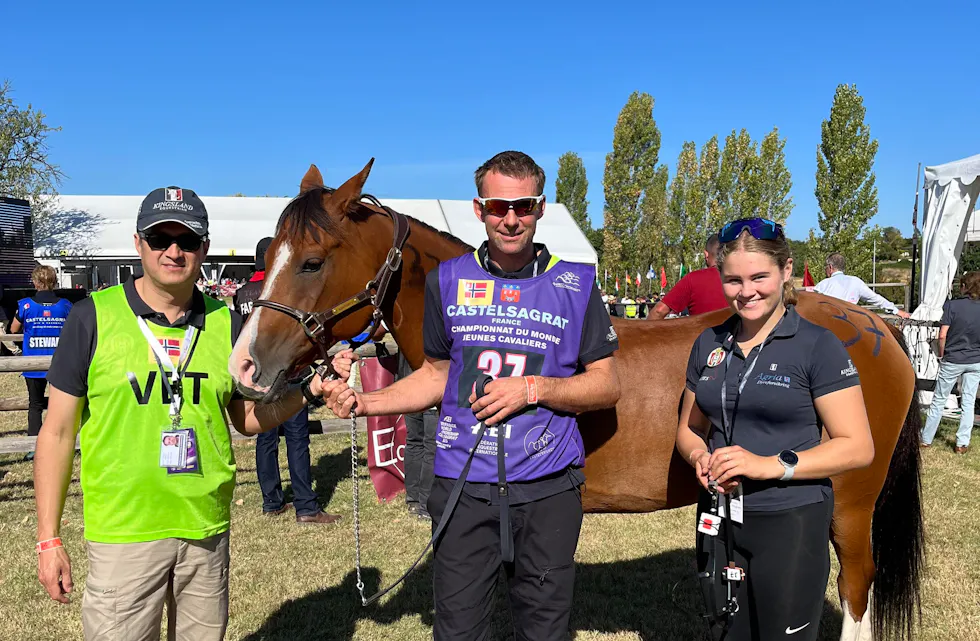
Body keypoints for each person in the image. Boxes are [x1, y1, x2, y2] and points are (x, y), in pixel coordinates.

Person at [323, 151, 621, 640]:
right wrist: (364, 403)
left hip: (546, 488)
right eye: (498, 207)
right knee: (458, 631)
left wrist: (534, 389)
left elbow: (608, 384)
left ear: (541, 208)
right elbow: (436, 375)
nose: (511, 219)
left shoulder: (577, 282)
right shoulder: (447, 279)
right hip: (463, 487)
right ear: (479, 209)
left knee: (544, 631)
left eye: (523, 206)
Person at [33, 186, 333, 641]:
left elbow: (247, 419)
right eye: (160, 239)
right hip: (123, 534)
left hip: (205, 531)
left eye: (187, 241)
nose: (173, 252)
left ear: (204, 249)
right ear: (138, 244)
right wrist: (49, 538)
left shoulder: (226, 323)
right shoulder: (91, 317)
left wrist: (308, 391)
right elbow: (56, 433)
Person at [675, 217, 875, 641]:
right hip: (718, 515)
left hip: (790, 519)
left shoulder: (817, 345)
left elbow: (858, 447)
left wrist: (769, 465)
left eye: (758, 277)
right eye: (733, 280)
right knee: (725, 632)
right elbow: (689, 429)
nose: (746, 291)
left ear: (786, 271)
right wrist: (698, 457)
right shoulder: (709, 343)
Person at [233, 237, 340, 523]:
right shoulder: (279, 289)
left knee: (265, 439)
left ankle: (271, 500)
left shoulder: (242, 293)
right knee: (297, 439)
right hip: (289, 371)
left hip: (259, 374)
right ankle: (306, 504)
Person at [10, 265, 72, 459]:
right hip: (59, 362)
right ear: (54, 282)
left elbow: (13, 329)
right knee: (60, 404)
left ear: (35, 282)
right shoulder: (65, 305)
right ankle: (61, 443)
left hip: (32, 362)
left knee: (35, 404)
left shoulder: (25, 305)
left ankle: (33, 446)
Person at [920, 271, 980, 453]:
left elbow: (942, 334)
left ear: (965, 286)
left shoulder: (952, 305)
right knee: (968, 402)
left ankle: (926, 439)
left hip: (953, 358)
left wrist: (941, 354)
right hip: (975, 359)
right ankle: (962, 443)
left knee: (939, 400)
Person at [648, 234, 729, 320]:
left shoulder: (693, 279)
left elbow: (659, 311)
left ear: (706, 254)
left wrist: (646, 328)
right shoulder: (737, 279)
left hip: (701, 328)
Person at [814, 252, 911, 318]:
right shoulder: (856, 282)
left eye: (826, 267)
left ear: (830, 267)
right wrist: (897, 311)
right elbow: (876, 299)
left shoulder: (822, 285)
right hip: (851, 323)